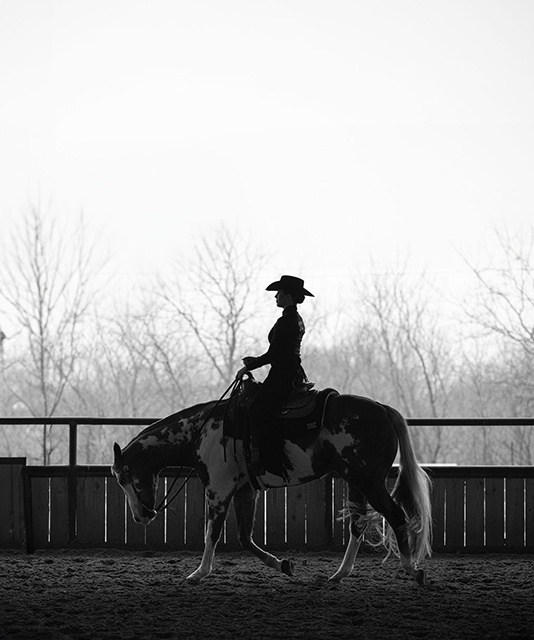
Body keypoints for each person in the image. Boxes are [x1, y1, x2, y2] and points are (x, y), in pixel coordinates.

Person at [236, 275, 314, 478]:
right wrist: (256, 360)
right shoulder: (295, 319)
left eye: (278, 293)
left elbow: (274, 355)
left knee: (256, 410)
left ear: (288, 297)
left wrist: (248, 368)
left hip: (282, 375)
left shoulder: (286, 321)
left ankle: (269, 461)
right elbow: (282, 351)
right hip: (290, 372)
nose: (275, 297)